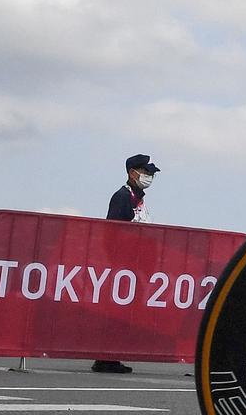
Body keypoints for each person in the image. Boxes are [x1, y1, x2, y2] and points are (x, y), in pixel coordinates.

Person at [92, 153, 160, 374]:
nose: (149, 177)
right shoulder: (122, 197)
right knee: (116, 312)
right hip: (122, 264)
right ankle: (106, 357)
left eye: (150, 174)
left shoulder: (139, 199)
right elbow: (112, 232)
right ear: (133, 173)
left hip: (135, 265)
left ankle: (113, 355)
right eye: (146, 172)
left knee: (125, 313)